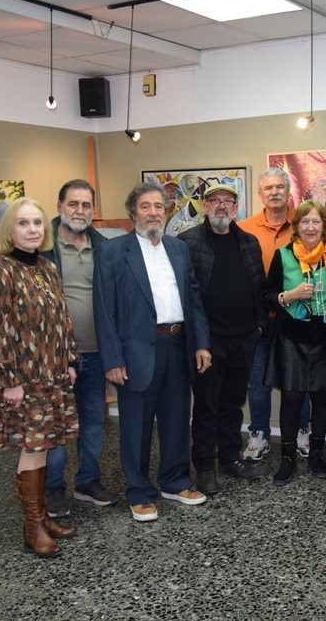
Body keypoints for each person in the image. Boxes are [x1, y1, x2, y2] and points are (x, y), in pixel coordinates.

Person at [93, 183, 211, 522]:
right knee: (136, 425)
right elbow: (104, 310)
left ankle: (175, 482)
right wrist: (113, 360)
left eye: (159, 206)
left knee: (176, 418)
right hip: (135, 352)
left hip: (178, 344)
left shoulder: (178, 248)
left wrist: (201, 343)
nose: (153, 212)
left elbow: (193, 299)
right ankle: (139, 492)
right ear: (134, 212)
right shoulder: (113, 252)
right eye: (146, 206)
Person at [0, 197, 78, 557]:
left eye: (37, 222)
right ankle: (32, 526)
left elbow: (62, 319)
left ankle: (43, 518)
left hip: (53, 374)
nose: (33, 229)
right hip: (24, 379)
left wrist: (69, 360)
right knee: (33, 448)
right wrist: (9, 381)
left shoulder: (47, 268)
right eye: (23, 223)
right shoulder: (0, 272)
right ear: (10, 230)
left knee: (46, 445)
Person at [178, 183, 266, 496]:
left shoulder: (249, 242)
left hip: (243, 339)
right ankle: (205, 467)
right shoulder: (188, 243)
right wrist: (197, 339)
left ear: (236, 208)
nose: (221, 206)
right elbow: (186, 295)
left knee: (232, 403)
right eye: (214, 200)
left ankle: (229, 458)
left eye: (228, 201)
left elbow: (259, 288)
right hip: (209, 342)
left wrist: (258, 327)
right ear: (204, 206)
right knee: (206, 405)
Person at [43, 180, 117, 520]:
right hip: (56, 357)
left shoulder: (103, 248)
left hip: (96, 352)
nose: (80, 210)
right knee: (57, 426)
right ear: (59, 206)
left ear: (93, 210)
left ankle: (87, 481)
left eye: (86, 205)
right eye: (73, 204)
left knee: (92, 423)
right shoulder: (43, 248)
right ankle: (53, 488)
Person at [262, 200, 326, 485]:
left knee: (322, 398)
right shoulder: (283, 255)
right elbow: (267, 296)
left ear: (324, 226)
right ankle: (287, 459)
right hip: (292, 337)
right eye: (305, 222)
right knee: (292, 399)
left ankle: (317, 454)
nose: (310, 227)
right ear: (296, 226)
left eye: (316, 222)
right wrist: (290, 295)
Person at [238, 168, 311, 462]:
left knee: (299, 380)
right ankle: (259, 434)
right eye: (268, 188)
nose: (274, 192)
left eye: (280, 187)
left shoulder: (303, 223)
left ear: (289, 192)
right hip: (260, 320)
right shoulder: (243, 229)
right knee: (258, 381)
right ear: (260, 194)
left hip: (297, 319)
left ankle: (303, 431)